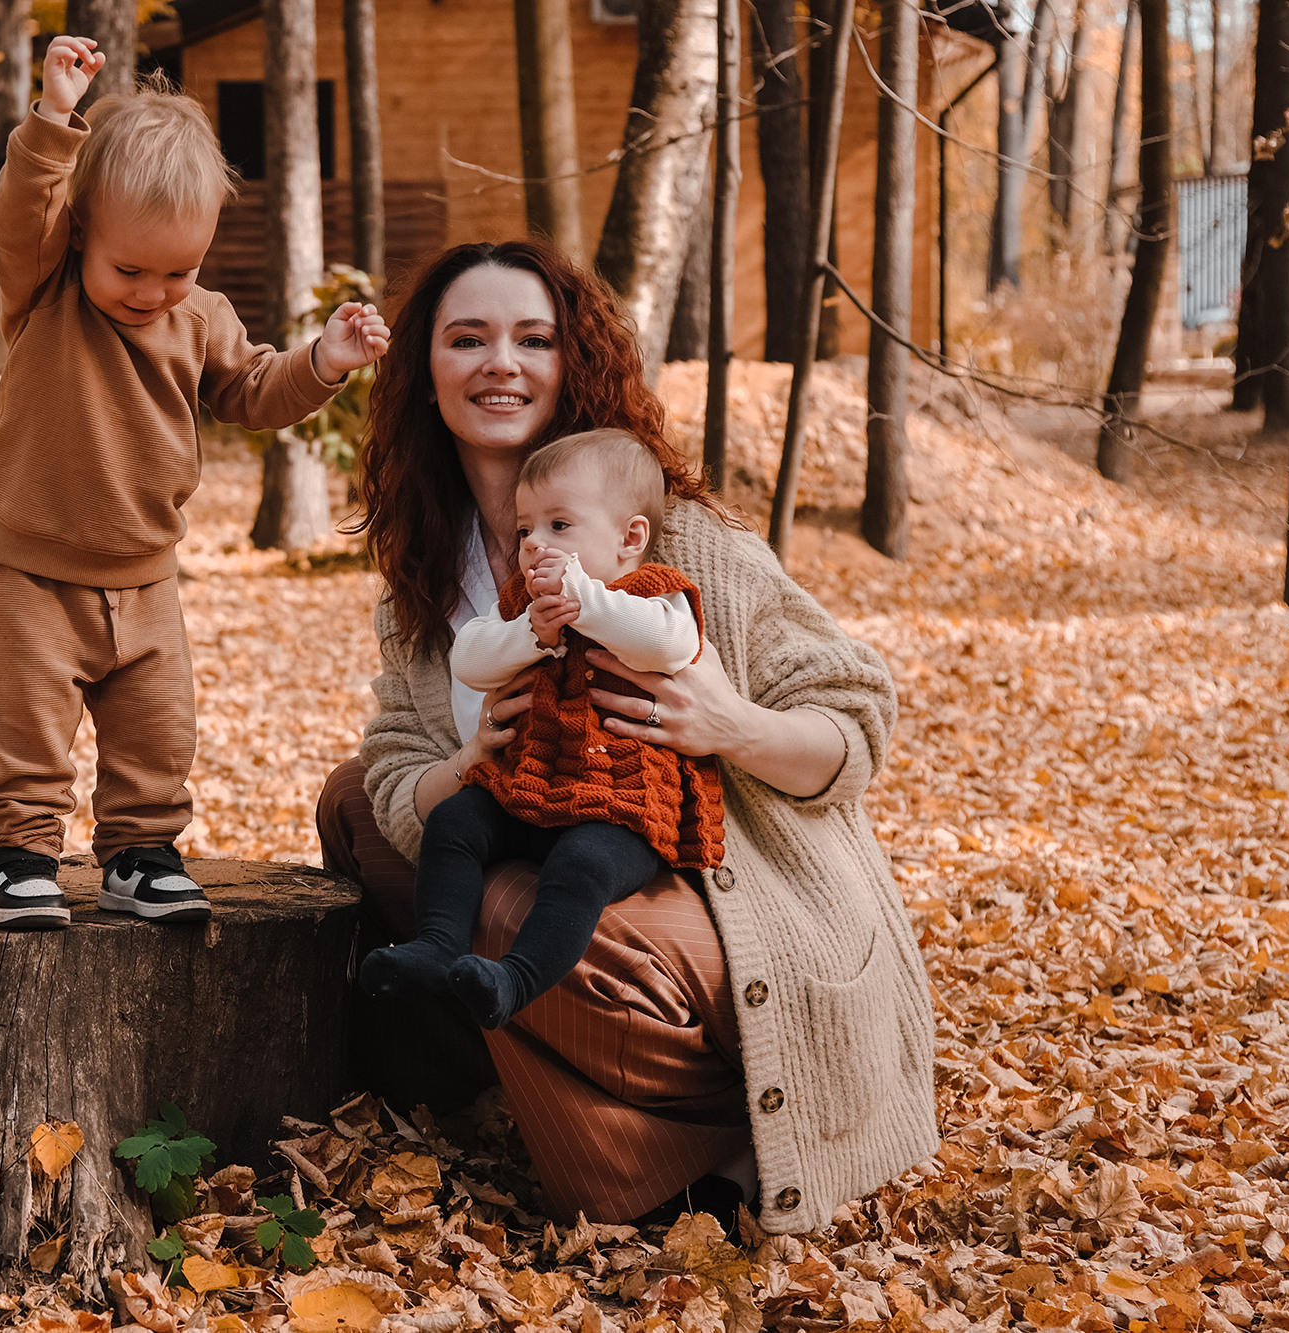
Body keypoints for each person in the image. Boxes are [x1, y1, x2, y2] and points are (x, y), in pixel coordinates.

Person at [317, 239, 938, 1235]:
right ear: (423, 374)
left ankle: (708, 1159)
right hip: (539, 848)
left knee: (515, 906)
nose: (499, 363)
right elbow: (391, 768)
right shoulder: (425, 585)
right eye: (464, 338)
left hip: (713, 896)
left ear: (571, 364)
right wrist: (458, 768)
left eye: (532, 338)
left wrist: (728, 723)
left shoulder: (675, 542)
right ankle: (534, 1097)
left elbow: (854, 714)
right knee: (358, 807)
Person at [0, 36, 389, 929]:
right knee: (26, 728)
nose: (154, 292)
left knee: (157, 732)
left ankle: (140, 853)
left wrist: (324, 359)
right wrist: (53, 115)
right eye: (131, 269)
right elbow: (20, 212)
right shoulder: (45, 287)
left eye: (179, 270)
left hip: (148, 575)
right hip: (31, 567)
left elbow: (254, 389)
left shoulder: (200, 317)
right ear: (80, 233)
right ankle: (19, 855)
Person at [359, 429, 726, 1032]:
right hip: (530, 792)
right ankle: (437, 945)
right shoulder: (524, 606)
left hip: (623, 810)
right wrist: (531, 632)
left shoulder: (657, 595)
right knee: (456, 821)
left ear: (630, 537)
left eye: (560, 526)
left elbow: (669, 644)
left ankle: (515, 979)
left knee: (580, 866)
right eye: (526, 529)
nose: (534, 545)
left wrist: (588, 603)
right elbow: (472, 661)